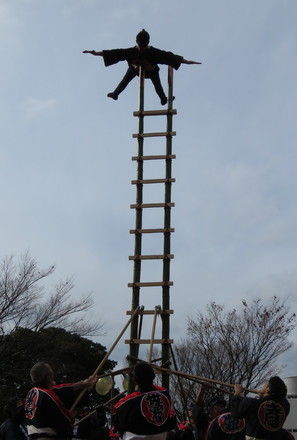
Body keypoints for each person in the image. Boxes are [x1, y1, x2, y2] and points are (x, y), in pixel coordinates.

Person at [83, 29, 201, 105]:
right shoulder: (130, 52)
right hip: (135, 70)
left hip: (151, 71)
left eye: (144, 47)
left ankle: (163, 98)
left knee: (157, 83)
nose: (142, 49)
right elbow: (114, 53)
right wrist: (96, 53)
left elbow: (169, 56)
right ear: (137, 42)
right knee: (125, 79)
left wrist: (188, 61)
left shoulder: (154, 53)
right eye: (141, 46)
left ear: (147, 43)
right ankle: (115, 94)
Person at [25, 361, 96, 440]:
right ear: (49, 377)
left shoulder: (31, 394)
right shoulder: (48, 395)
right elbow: (64, 422)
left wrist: (83, 384)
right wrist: (70, 416)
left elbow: (61, 388)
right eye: (52, 372)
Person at [109, 362, 177, 440]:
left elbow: (117, 425)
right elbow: (171, 421)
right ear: (154, 376)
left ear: (134, 379)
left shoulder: (127, 403)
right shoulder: (165, 396)